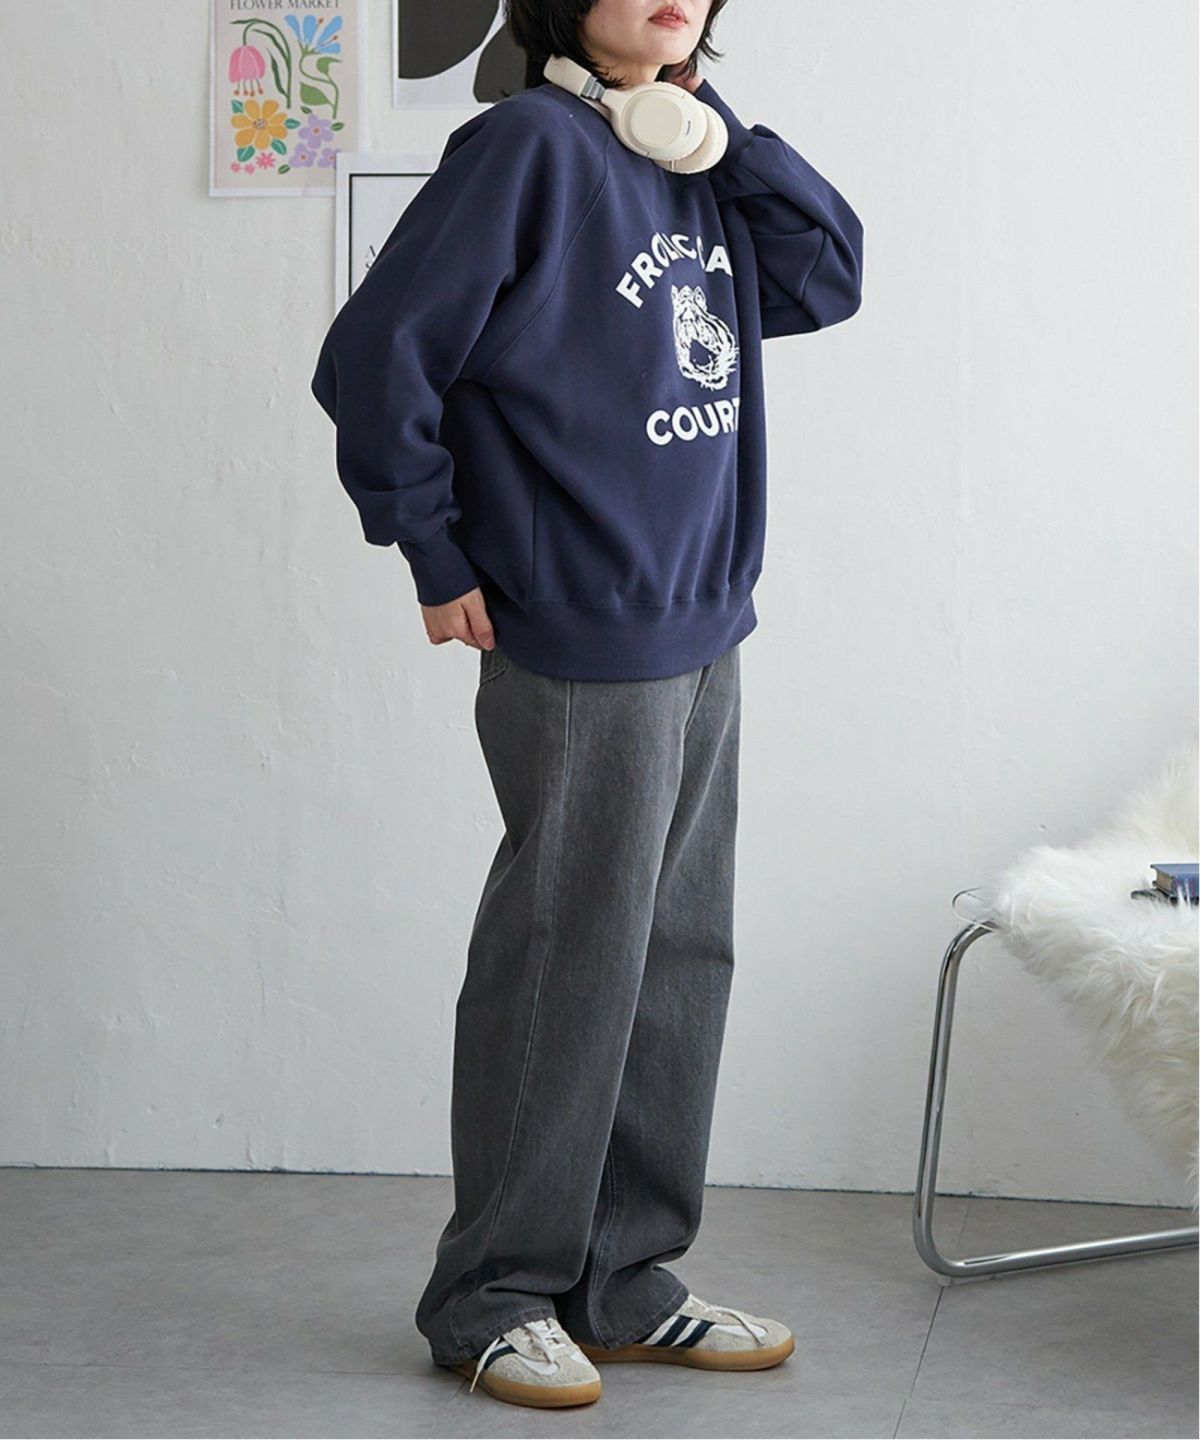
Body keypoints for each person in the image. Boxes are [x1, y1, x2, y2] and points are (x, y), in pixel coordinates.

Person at [310, 0, 863, 1411]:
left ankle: (623, 1280)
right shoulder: (528, 150)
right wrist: (431, 549)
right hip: (575, 621)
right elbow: (373, 354)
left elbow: (828, 275)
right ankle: (493, 1294)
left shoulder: (691, 157)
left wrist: (721, 137)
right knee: (570, 955)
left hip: (701, 616)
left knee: (677, 956)